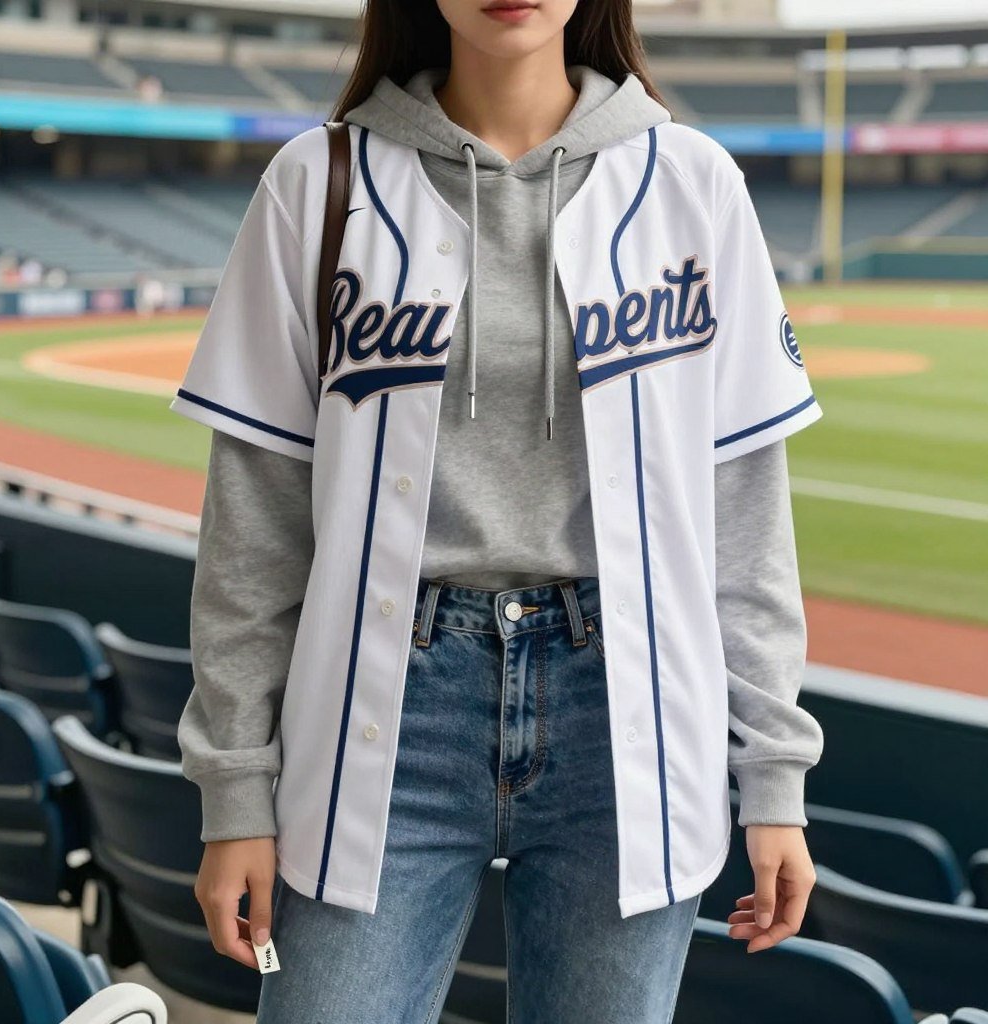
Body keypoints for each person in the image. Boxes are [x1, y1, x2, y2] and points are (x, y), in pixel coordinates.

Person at [171, 1, 825, 1021]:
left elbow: (742, 514)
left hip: (632, 709)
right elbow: (253, 529)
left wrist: (774, 776)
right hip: (385, 705)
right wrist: (235, 791)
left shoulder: (691, 183)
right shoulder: (317, 181)